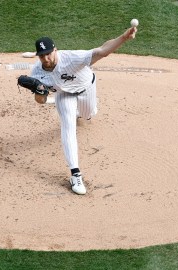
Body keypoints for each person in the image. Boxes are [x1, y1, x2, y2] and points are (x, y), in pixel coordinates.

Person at [29, 26, 137, 195]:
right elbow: (41, 101)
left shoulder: (72, 58)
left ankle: (82, 112)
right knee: (68, 127)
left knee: (89, 114)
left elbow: (102, 51)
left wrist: (123, 37)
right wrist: (39, 92)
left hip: (86, 87)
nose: (46, 58)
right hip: (64, 95)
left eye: (48, 53)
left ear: (55, 50)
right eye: (42, 55)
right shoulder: (36, 72)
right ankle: (75, 174)